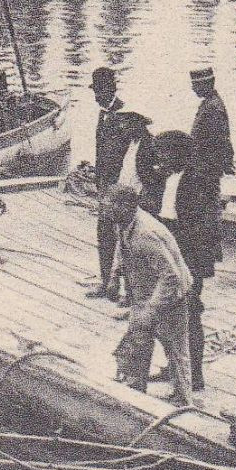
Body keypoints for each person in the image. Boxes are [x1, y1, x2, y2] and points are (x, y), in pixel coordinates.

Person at [138, 129, 222, 392]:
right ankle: (174, 366)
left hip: (190, 256)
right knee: (168, 313)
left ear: (177, 153)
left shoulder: (199, 180)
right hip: (174, 249)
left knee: (190, 313)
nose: (159, 160)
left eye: (163, 154)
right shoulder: (171, 176)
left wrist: (176, 244)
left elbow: (205, 225)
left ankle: (193, 375)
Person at [102, 184, 196, 405]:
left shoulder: (146, 234)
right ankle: (135, 387)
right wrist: (115, 275)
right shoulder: (123, 223)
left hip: (171, 296)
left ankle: (184, 400)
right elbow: (121, 245)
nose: (106, 208)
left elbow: (171, 276)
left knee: (175, 349)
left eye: (111, 204)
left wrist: (151, 310)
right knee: (137, 340)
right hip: (143, 291)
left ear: (126, 206)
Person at [87, 66, 137, 300]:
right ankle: (107, 283)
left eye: (99, 91)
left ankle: (130, 291)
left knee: (126, 240)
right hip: (105, 188)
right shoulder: (102, 113)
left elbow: (131, 155)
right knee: (104, 235)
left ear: (110, 89)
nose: (96, 96)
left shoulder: (126, 116)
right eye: (95, 91)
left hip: (120, 189)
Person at [188, 67, 235, 177]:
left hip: (207, 167)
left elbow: (221, 139)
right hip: (202, 164)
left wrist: (225, 164)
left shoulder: (213, 107)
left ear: (206, 84)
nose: (193, 89)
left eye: (195, 85)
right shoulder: (209, 103)